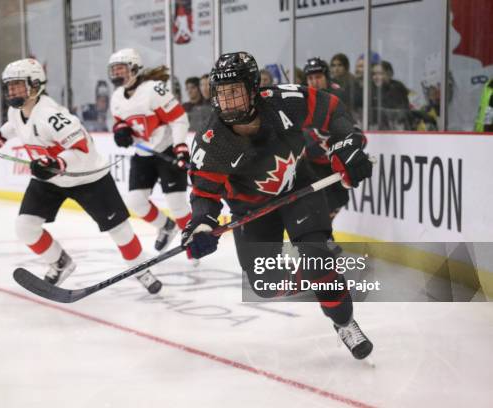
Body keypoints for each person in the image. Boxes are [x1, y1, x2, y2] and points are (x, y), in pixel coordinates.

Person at [181, 51, 374, 360]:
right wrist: (201, 225)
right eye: (222, 93)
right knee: (265, 285)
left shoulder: (284, 100)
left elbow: (333, 111)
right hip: (251, 210)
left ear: (254, 88)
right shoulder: (211, 141)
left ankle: (344, 322)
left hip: (300, 189)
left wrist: (346, 145)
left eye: (235, 91)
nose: (228, 101)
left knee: (319, 258)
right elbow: (204, 194)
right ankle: (313, 275)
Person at [0, 58, 162, 294]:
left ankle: (141, 268)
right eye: (10, 86)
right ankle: (61, 263)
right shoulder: (15, 111)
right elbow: (13, 127)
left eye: (18, 85)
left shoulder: (51, 115)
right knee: (25, 227)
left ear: (36, 84)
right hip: (50, 179)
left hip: (88, 177)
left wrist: (56, 162)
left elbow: (83, 147)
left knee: (119, 229)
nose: (12, 91)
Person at [107, 48, 195, 262]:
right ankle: (166, 226)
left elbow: (179, 119)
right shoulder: (117, 97)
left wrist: (180, 146)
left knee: (177, 204)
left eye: (122, 69)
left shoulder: (154, 90)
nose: (117, 74)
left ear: (135, 69)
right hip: (143, 152)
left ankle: (194, 243)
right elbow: (120, 120)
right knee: (136, 202)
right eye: (114, 70)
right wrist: (120, 129)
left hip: (166, 149)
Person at [302, 57, 351, 234]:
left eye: (318, 77)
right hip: (310, 163)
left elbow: (347, 124)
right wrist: (308, 142)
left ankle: (323, 235)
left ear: (326, 77)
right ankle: (320, 238)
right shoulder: (301, 98)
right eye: (310, 78)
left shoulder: (337, 97)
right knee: (317, 202)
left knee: (340, 198)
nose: (314, 82)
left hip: (333, 160)